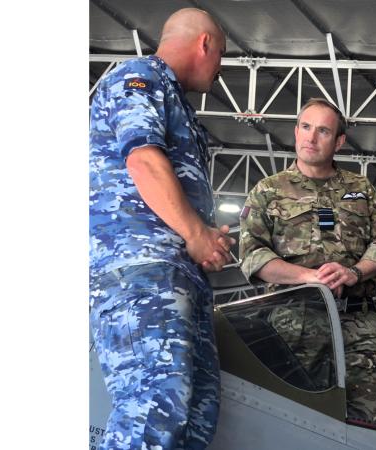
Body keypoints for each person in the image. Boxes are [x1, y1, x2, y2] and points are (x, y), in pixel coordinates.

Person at [89, 8, 233, 450]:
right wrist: (195, 234)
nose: (220, 68)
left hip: (175, 274)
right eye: (222, 56)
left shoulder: (177, 104)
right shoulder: (139, 79)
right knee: (153, 406)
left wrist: (206, 233)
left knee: (194, 418)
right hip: (141, 269)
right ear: (205, 44)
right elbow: (143, 161)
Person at [238, 98, 376, 422]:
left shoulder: (361, 189)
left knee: (366, 422)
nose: (311, 138)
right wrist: (307, 277)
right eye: (306, 127)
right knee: (286, 421)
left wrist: (352, 272)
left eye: (323, 131)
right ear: (296, 132)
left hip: (357, 327)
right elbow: (252, 256)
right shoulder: (268, 191)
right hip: (291, 325)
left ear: (338, 141)